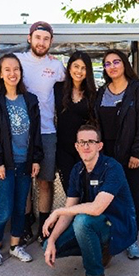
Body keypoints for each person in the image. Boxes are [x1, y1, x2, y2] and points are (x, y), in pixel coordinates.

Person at [42, 124, 137, 276]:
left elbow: (96, 208)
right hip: (98, 223)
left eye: (91, 142)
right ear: (76, 146)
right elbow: (69, 212)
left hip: (118, 225)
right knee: (49, 246)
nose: (86, 146)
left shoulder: (112, 168)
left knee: (82, 222)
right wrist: (52, 240)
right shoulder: (77, 170)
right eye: (82, 142)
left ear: (99, 145)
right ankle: (101, 250)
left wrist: (57, 211)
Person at [0, 54, 44, 266]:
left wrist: (35, 159)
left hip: (25, 164)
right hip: (4, 165)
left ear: (21, 72)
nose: (12, 73)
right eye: (7, 69)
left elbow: (35, 134)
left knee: (20, 208)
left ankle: (16, 245)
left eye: (16, 69)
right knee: (5, 209)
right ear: (0, 73)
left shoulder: (30, 100)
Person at [95, 49, 139, 260]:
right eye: (107, 64)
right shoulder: (101, 92)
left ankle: (131, 240)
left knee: (130, 196)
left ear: (124, 64)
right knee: (107, 196)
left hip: (131, 153)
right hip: (107, 154)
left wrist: (137, 153)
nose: (112, 66)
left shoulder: (138, 90)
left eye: (116, 62)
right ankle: (110, 238)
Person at [15, 21, 65, 243]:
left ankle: (44, 227)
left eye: (46, 39)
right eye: (38, 37)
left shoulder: (56, 66)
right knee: (24, 181)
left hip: (47, 132)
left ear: (51, 42)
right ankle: (25, 224)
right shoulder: (17, 61)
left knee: (45, 181)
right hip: (20, 131)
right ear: (30, 38)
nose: (41, 42)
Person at [54, 51, 97, 193]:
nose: (79, 71)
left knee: (86, 187)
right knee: (70, 188)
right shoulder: (58, 88)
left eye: (83, 68)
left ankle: (84, 215)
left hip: (85, 148)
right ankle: (74, 215)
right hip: (63, 147)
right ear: (69, 67)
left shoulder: (92, 94)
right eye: (76, 66)